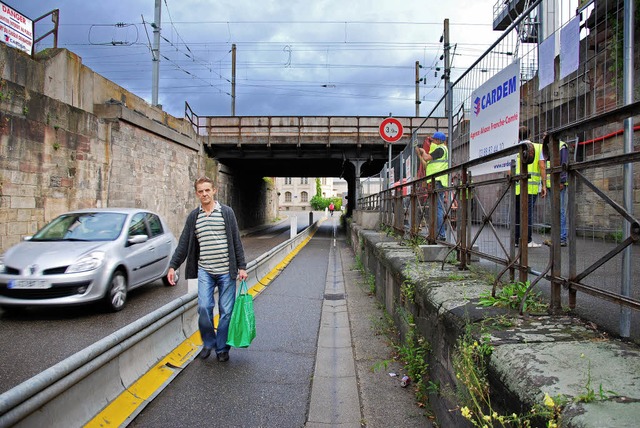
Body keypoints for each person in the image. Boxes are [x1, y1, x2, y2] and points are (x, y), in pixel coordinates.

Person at [167, 176, 248, 362]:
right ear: (197, 193)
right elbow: (184, 244)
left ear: (214, 190)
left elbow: (236, 241)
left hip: (227, 270)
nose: (204, 194)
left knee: (226, 311)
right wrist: (173, 266)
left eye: (207, 190)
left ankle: (222, 349)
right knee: (204, 307)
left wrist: (242, 267)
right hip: (205, 270)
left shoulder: (226, 213)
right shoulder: (194, 217)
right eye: (200, 191)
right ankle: (209, 342)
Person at [514, 126, 546, 248]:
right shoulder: (537, 147)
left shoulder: (515, 149)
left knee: (518, 213)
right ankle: (527, 240)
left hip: (517, 187)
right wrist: (544, 184)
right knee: (527, 214)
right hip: (531, 187)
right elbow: (542, 166)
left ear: (518, 136)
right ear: (530, 135)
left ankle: (517, 240)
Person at [415, 131, 448, 240]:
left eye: (433, 140)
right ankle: (436, 233)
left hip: (438, 181)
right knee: (435, 208)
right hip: (435, 182)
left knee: (438, 208)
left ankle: (440, 234)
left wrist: (423, 151)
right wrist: (420, 155)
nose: (432, 141)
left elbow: (427, 158)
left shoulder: (440, 149)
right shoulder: (437, 150)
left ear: (438, 141)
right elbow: (426, 163)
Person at [542, 135, 569, 247]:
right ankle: (556, 238)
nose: (544, 137)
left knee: (560, 211)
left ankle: (561, 238)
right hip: (551, 184)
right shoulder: (548, 147)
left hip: (558, 184)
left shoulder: (561, 146)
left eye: (545, 136)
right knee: (555, 212)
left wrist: (561, 181)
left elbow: (563, 164)